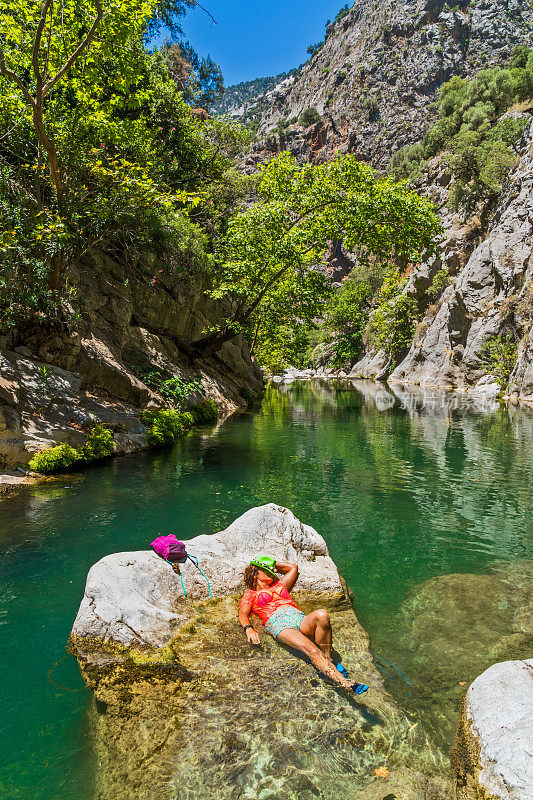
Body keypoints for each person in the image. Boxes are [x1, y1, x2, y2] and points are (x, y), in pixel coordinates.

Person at [238, 555, 369, 694]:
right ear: (256, 573)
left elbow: (293, 568)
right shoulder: (250, 594)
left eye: (272, 570)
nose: (272, 572)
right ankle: (346, 683)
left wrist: (272, 564)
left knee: (322, 615)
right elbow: (242, 614)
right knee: (312, 650)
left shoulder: (280, 585)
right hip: (279, 623)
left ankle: (327, 658)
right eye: (267, 571)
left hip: (298, 618)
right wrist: (248, 629)